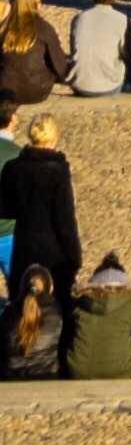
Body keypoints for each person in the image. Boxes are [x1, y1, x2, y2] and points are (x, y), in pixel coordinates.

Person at [0, 114, 76, 330]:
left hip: (23, 245)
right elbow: (65, 221)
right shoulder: (58, 170)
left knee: (22, 301)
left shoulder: (14, 167)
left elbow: (6, 209)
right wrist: (74, 259)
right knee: (54, 308)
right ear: (53, 139)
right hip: (53, 250)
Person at [68, 0, 130, 98]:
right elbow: (128, 55)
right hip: (110, 86)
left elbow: (74, 49)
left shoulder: (79, 18)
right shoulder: (122, 19)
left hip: (79, 84)